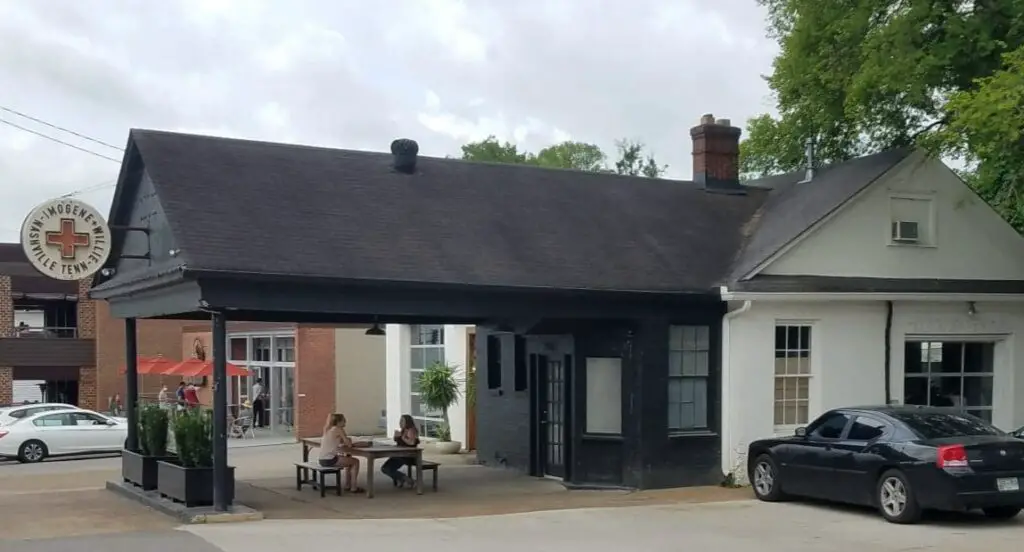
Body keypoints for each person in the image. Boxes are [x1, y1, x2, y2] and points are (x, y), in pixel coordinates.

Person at [318, 413, 370, 494]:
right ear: (338, 422)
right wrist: (350, 440)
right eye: (343, 420)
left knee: (349, 461)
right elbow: (348, 444)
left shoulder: (327, 429)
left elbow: (339, 441)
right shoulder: (338, 429)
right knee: (355, 462)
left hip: (322, 459)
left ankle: (347, 485)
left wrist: (345, 441)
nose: (345, 422)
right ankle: (354, 487)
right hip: (330, 459)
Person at [381, 414, 420, 488]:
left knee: (388, 468)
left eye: (402, 421)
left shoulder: (411, 430)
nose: (400, 422)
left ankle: (408, 480)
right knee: (385, 468)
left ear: (407, 422)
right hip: (399, 454)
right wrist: (396, 436)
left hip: (408, 456)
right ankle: (401, 478)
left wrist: (401, 436)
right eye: (400, 420)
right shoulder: (402, 430)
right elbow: (399, 442)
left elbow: (412, 443)